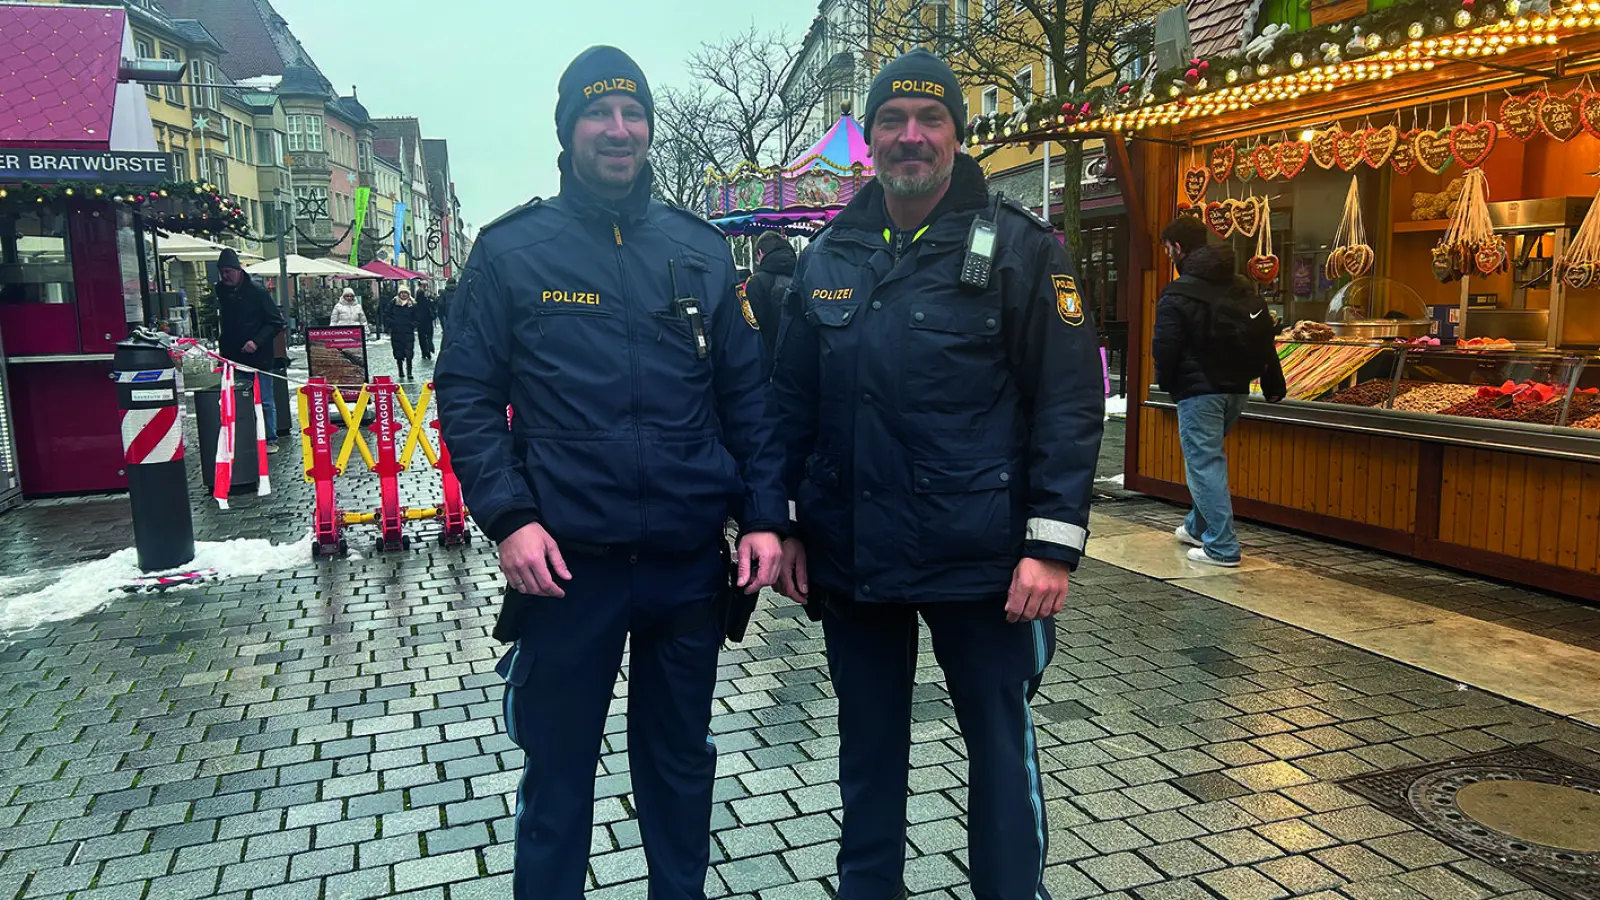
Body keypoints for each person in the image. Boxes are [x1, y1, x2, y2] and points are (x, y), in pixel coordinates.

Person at [434, 45, 787, 900]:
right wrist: (509, 519)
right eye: (599, 113)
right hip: (565, 571)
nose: (618, 130)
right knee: (556, 783)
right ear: (568, 130)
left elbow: (747, 394)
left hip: (683, 567)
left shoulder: (700, 252)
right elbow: (467, 391)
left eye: (633, 114)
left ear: (649, 130)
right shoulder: (513, 251)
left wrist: (768, 516)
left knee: (679, 770)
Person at [771, 48, 1105, 900]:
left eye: (930, 121)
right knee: (867, 758)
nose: (910, 138)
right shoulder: (828, 257)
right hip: (855, 559)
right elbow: (790, 406)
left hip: (985, 566)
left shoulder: (1023, 250)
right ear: (870, 138)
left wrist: (1051, 548)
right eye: (892, 121)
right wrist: (786, 524)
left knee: (1000, 754)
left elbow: (1069, 403)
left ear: (958, 135)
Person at [1153, 216, 1287, 567]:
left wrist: (1168, 383)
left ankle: (1222, 546)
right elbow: (1264, 335)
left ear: (1178, 248)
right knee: (1206, 461)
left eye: (1168, 249)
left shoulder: (1178, 292)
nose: (1168, 255)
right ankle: (1197, 527)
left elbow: (1165, 345)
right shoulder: (1241, 285)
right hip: (1236, 390)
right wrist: (1273, 382)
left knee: (1204, 464)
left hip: (1199, 392)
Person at [215, 248, 285, 453]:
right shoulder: (221, 291)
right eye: (222, 271)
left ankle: (270, 439)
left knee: (264, 400)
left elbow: (275, 322)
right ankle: (245, 437)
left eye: (228, 271)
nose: (225, 276)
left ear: (238, 270)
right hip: (233, 358)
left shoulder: (258, 293)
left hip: (259, 357)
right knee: (238, 400)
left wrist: (256, 341)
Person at [740, 230, 795, 376]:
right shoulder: (800, 276)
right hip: (798, 359)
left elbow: (753, 326)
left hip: (768, 362)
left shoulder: (756, 282)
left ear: (760, 253)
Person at [387, 285, 421, 380]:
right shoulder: (393, 303)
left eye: (405, 293)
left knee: (409, 353)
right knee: (398, 353)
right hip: (396, 332)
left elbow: (417, 318)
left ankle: (409, 372)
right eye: (402, 293)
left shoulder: (413, 304)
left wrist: (412, 324)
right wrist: (392, 323)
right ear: (399, 294)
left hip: (408, 332)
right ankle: (400, 370)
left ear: (408, 294)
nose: (403, 294)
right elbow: (387, 315)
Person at [414, 285, 437, 362]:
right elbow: (434, 310)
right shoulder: (428, 301)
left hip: (420, 323)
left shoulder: (415, 304)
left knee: (422, 338)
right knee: (429, 337)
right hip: (428, 322)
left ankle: (424, 352)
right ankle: (429, 348)